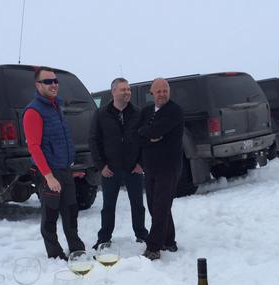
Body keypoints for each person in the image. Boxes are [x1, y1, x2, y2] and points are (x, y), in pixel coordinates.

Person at [23, 66, 85, 260]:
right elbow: (34, 147)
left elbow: (60, 140)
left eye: (55, 81)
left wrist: (69, 167)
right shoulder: (33, 111)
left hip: (64, 170)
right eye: (48, 81)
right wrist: (48, 176)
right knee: (50, 215)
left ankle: (76, 249)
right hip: (48, 173)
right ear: (38, 85)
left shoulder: (56, 106)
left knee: (71, 211)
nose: (54, 84)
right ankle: (55, 254)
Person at [89, 78, 148, 250]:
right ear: (113, 92)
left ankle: (142, 235)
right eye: (123, 89)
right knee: (108, 207)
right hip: (110, 169)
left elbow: (145, 139)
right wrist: (101, 166)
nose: (127, 92)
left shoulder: (138, 113)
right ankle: (104, 238)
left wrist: (141, 163)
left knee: (138, 205)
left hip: (133, 167)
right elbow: (94, 140)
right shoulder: (101, 114)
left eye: (128, 89)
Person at [136, 78, 184, 261]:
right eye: (159, 91)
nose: (162, 94)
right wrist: (148, 135)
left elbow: (155, 131)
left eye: (165, 91)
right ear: (152, 93)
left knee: (161, 206)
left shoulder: (175, 111)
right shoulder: (146, 111)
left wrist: (147, 133)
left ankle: (154, 247)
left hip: (169, 167)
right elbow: (137, 134)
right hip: (150, 167)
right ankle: (169, 240)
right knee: (154, 205)